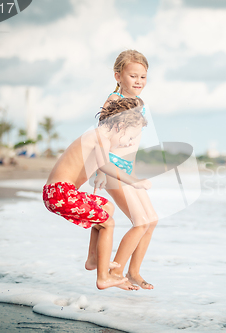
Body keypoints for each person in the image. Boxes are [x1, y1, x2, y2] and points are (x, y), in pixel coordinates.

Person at [43, 98, 150, 290]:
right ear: (120, 126)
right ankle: (103, 278)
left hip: (60, 193)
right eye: (130, 138)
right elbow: (105, 164)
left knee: (106, 207)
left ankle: (93, 258)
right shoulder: (100, 136)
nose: (129, 143)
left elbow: (98, 164)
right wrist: (135, 182)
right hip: (60, 193)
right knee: (108, 223)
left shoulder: (100, 137)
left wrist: (101, 175)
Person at [94, 50, 158, 291]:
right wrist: (102, 170)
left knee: (151, 220)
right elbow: (102, 137)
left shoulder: (139, 104)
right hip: (112, 170)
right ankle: (116, 270)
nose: (139, 81)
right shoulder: (113, 100)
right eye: (133, 76)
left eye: (143, 77)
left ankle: (134, 271)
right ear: (118, 76)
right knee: (140, 221)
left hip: (126, 169)